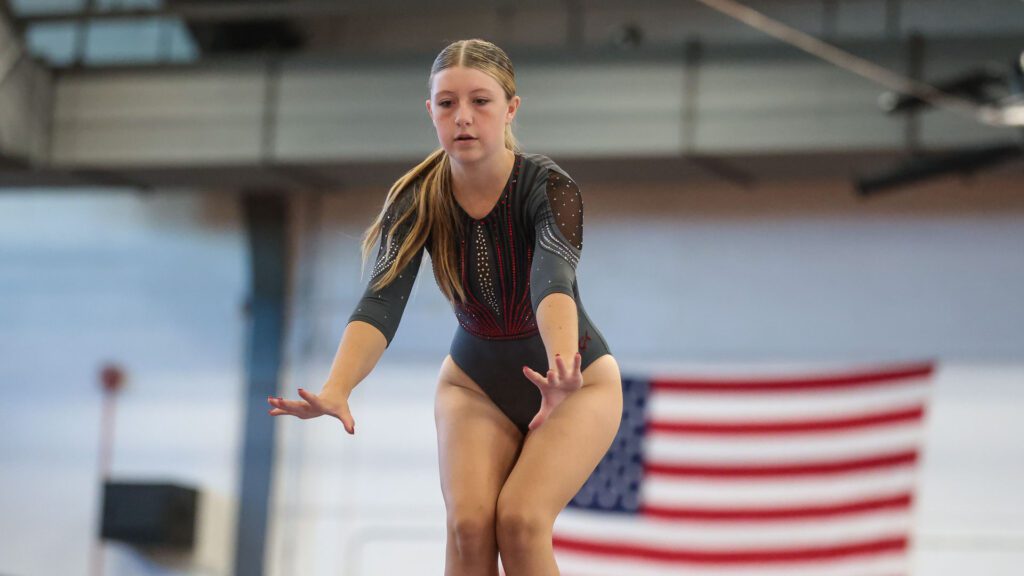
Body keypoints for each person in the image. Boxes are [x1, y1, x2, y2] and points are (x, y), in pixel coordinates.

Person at [267, 38, 623, 576]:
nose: (463, 117)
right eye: (447, 103)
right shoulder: (416, 198)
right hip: (474, 384)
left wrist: (560, 366)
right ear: (429, 111)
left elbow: (552, 279)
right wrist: (337, 388)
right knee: (469, 527)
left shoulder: (548, 187)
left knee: (521, 522)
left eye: (480, 101)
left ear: (511, 109)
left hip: (576, 380)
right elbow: (381, 301)